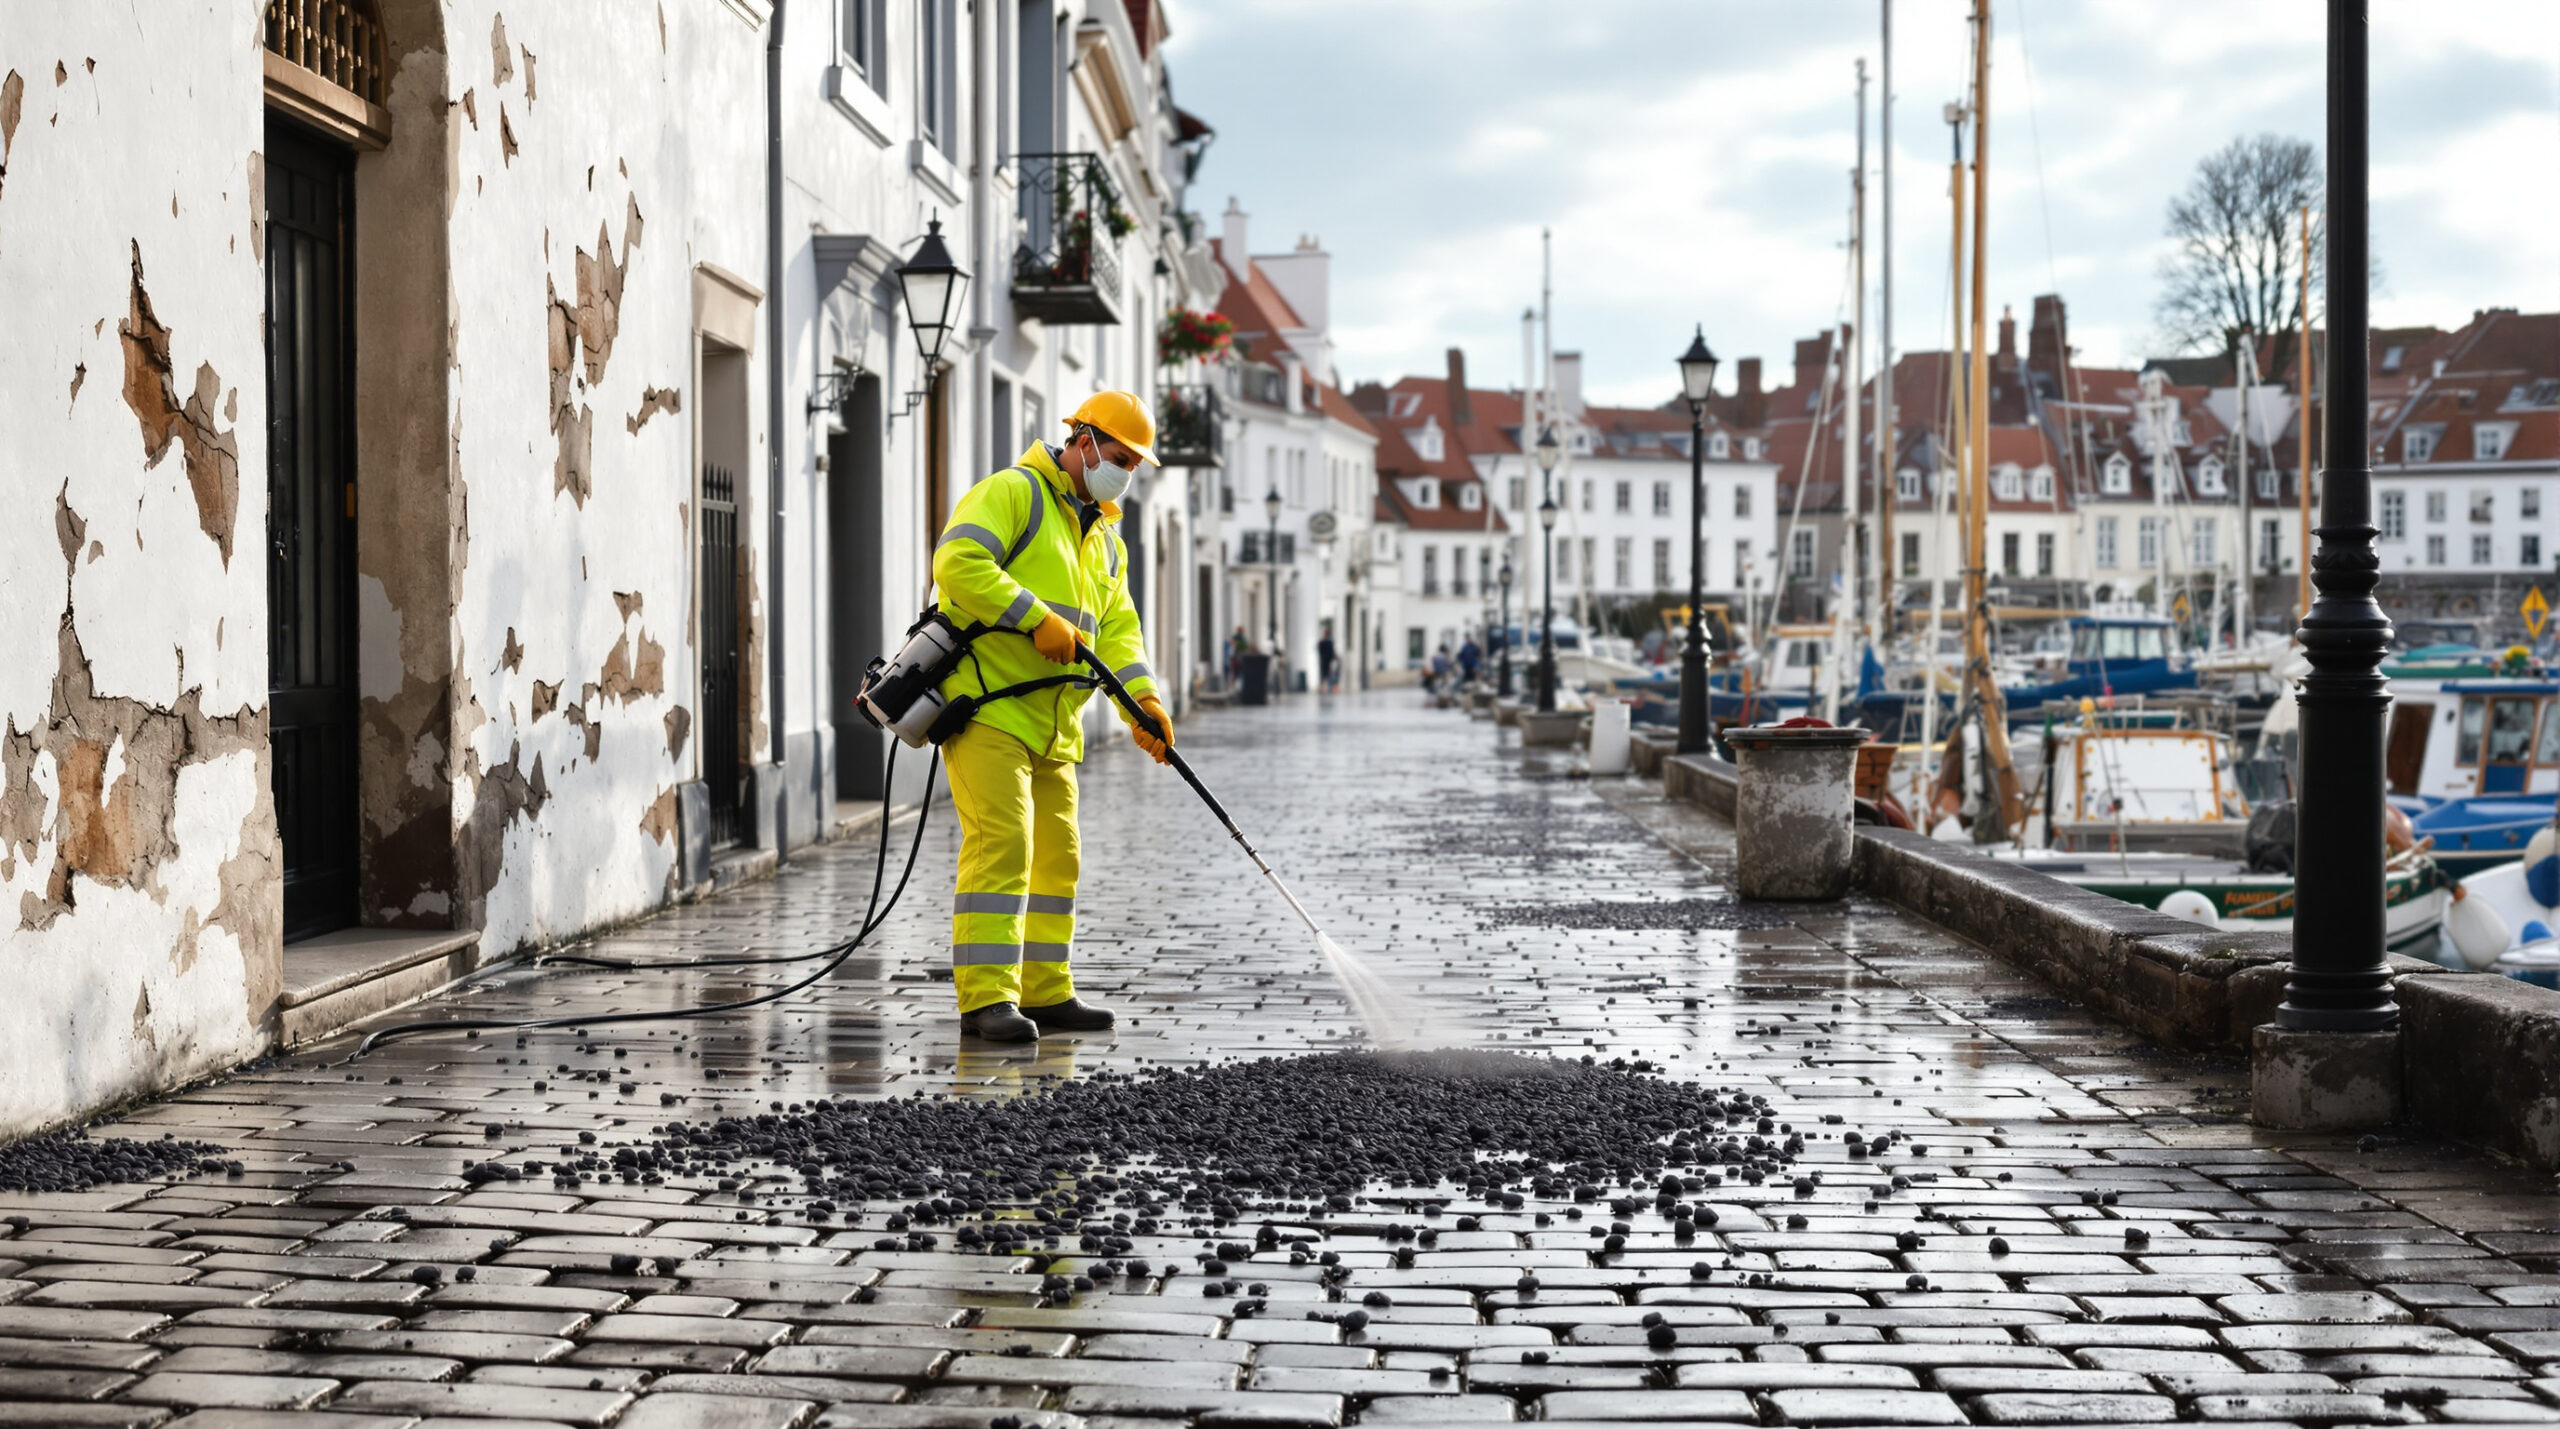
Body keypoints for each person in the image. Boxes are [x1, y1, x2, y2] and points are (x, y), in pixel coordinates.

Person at [929, 391, 1174, 1043]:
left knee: (1058, 857)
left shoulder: (1106, 540)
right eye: (1118, 457)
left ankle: (1044, 991)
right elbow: (957, 565)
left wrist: (1143, 703)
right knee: (1003, 844)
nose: (1124, 471)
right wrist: (1035, 617)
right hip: (989, 708)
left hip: (1055, 725)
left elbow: (1118, 629)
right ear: (1083, 440)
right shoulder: (1013, 493)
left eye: (1133, 464)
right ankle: (986, 1000)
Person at [1317, 622, 1340, 694]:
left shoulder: (1324, 641)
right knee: (1327, 674)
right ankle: (1326, 688)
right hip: (1327, 660)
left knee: (1327, 674)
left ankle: (1328, 688)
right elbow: (1331, 651)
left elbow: (1324, 650)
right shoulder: (1326, 641)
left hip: (1326, 660)